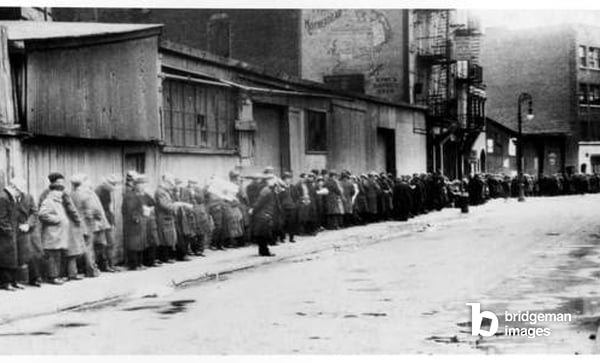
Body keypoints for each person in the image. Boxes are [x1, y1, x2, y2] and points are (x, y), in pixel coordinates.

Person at [38, 173, 70, 285]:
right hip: (52, 234)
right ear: (54, 192)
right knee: (52, 256)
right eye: (59, 191)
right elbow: (42, 215)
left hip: (58, 234)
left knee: (57, 256)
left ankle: (57, 275)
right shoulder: (49, 201)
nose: (61, 194)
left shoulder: (57, 201)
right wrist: (58, 219)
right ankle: (52, 277)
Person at [13, 177, 43, 287]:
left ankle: (35, 278)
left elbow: (34, 212)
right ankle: (16, 280)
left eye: (22, 187)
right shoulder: (8, 198)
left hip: (28, 230)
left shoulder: (28, 197)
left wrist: (28, 224)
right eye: (18, 188)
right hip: (15, 230)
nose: (21, 190)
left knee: (34, 253)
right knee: (17, 255)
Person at [155, 174, 189, 263]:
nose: (171, 186)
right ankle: (164, 257)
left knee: (169, 237)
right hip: (163, 217)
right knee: (164, 237)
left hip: (167, 217)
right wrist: (176, 205)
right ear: (165, 182)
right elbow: (165, 205)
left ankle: (168, 256)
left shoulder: (164, 192)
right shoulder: (160, 192)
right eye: (169, 183)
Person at [0, 178, 27, 290]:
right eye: (19, 191)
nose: (19, 193)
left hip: (13, 232)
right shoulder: (3, 197)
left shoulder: (10, 197)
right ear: (14, 188)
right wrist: (9, 231)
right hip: (5, 234)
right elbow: (1, 218)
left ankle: (13, 281)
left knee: (14, 258)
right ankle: (5, 283)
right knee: (6, 258)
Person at [122, 174, 151, 270]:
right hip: (133, 223)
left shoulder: (140, 195)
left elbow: (151, 202)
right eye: (141, 184)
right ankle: (134, 265)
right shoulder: (130, 195)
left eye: (144, 184)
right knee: (134, 244)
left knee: (141, 243)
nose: (143, 186)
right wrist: (136, 219)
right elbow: (130, 210)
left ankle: (139, 263)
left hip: (140, 221)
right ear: (136, 185)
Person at [95, 174, 120, 273]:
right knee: (106, 243)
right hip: (102, 221)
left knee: (110, 243)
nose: (114, 187)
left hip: (107, 219)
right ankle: (106, 265)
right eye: (112, 184)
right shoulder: (99, 192)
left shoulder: (106, 191)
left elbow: (108, 208)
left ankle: (110, 264)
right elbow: (98, 209)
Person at [250, 175, 277, 257]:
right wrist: (253, 209)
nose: (275, 182)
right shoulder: (266, 190)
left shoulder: (267, 190)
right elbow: (259, 202)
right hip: (263, 214)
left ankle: (263, 251)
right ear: (268, 181)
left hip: (264, 214)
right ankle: (264, 251)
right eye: (273, 180)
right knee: (263, 234)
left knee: (262, 234)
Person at [279, 171, 300, 243]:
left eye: (289, 178)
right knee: (283, 223)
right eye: (286, 179)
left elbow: (297, 197)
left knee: (292, 223)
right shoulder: (280, 187)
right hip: (283, 208)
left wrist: (295, 205)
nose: (288, 180)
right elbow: (278, 198)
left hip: (292, 208)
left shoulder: (293, 187)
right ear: (283, 180)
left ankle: (291, 238)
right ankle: (282, 238)